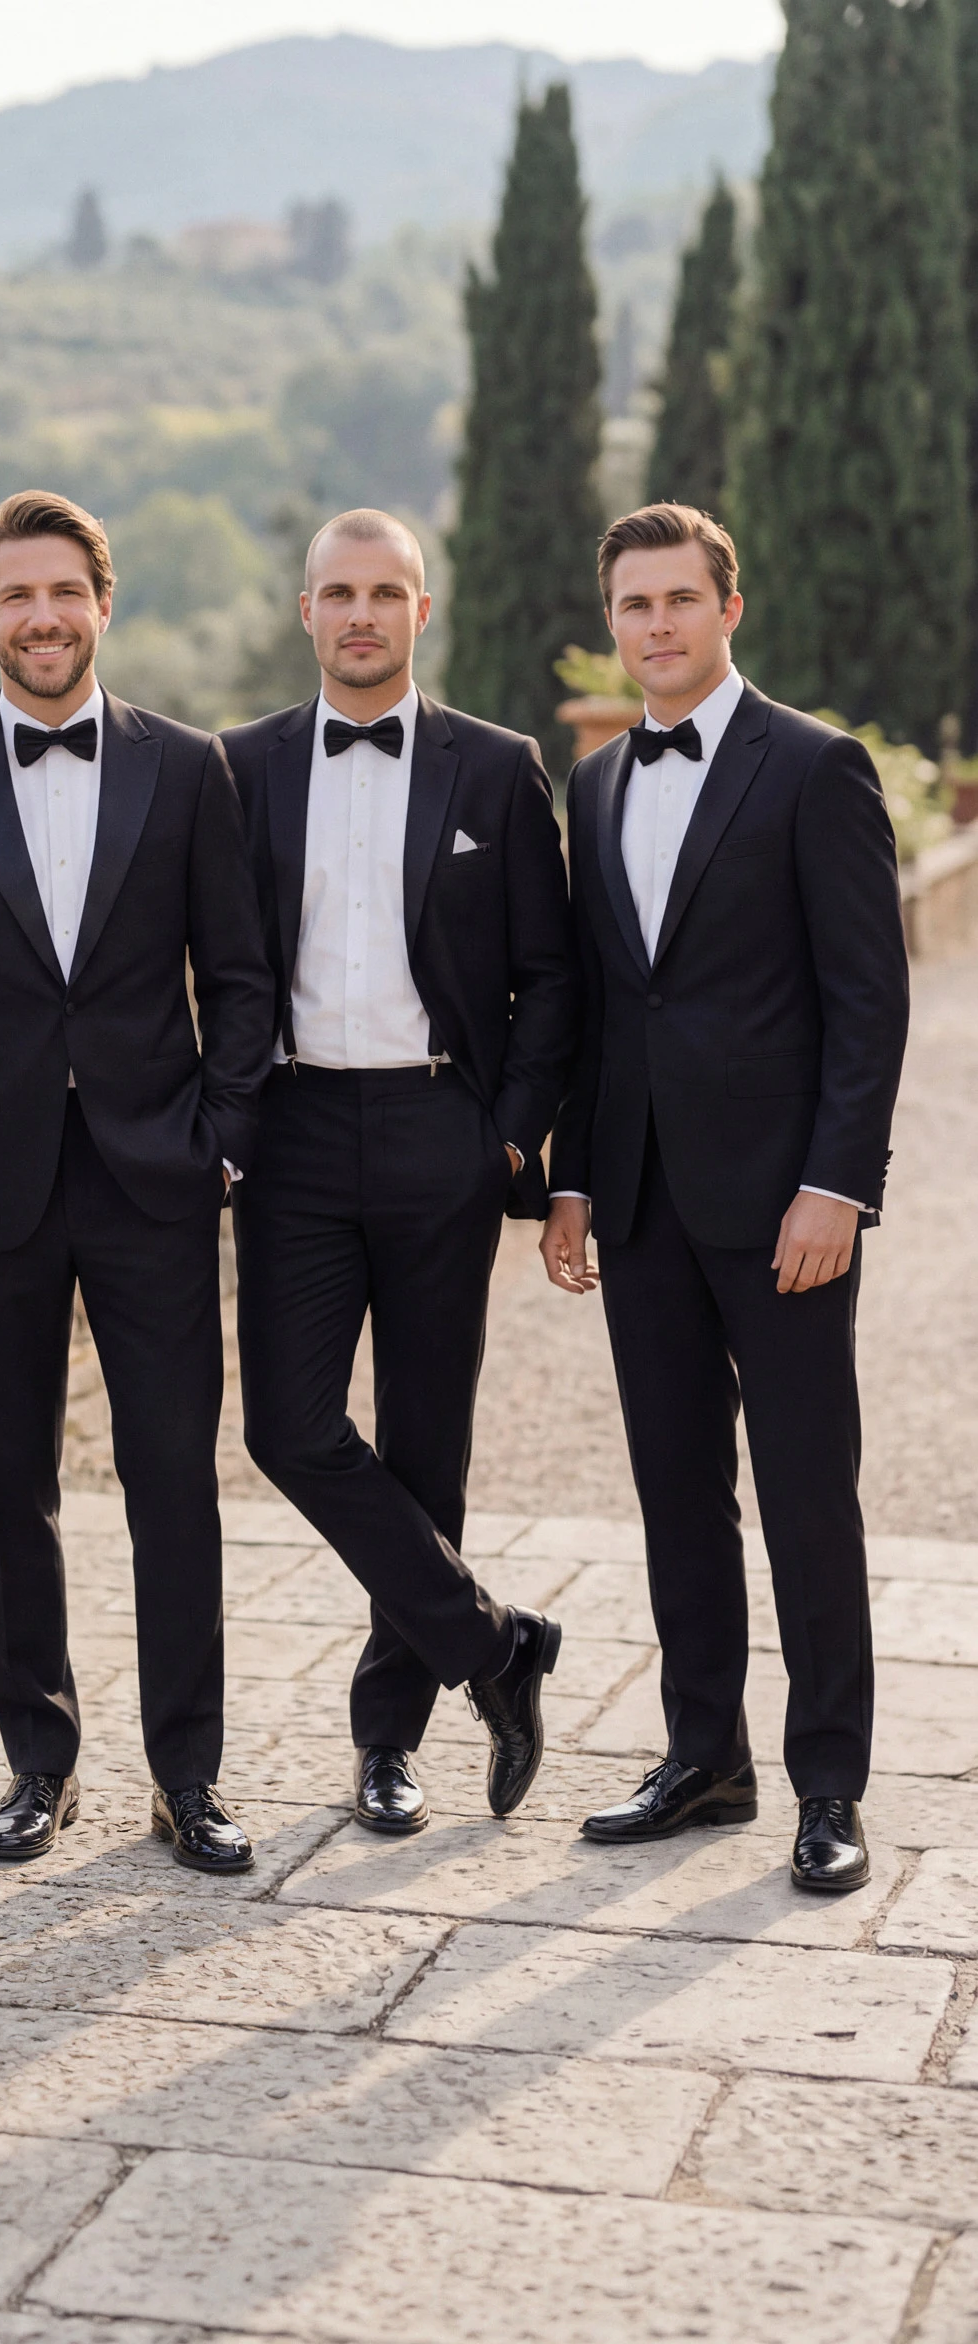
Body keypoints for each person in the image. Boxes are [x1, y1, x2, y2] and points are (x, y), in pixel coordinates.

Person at [0, 489, 276, 1872]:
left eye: (63, 592)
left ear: (103, 602)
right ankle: (38, 1763)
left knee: (173, 1483)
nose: (42, 618)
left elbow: (238, 976)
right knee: (7, 1485)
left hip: (159, 1178)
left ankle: (188, 1775)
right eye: (16, 597)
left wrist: (222, 1138)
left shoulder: (188, 768)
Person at [544, 502, 908, 1894]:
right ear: (613, 622)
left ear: (727, 609)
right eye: (634, 605)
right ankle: (705, 1756)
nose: (657, 625)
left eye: (679, 599)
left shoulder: (815, 767)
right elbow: (600, 1007)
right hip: (639, 1201)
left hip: (782, 1208)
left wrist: (837, 1186)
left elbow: (866, 1001)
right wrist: (575, 1178)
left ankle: (830, 1787)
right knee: (676, 1493)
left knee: (809, 1494)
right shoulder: (593, 784)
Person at [221, 510, 575, 1831]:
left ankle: (388, 1744)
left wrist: (507, 1135)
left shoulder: (498, 767)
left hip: (442, 1130)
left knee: (428, 1445)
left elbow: (551, 977)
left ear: (420, 610)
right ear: (304, 610)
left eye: (385, 593)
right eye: (338, 592)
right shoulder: (238, 766)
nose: (360, 614)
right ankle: (494, 1645)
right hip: (294, 1133)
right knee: (287, 1426)